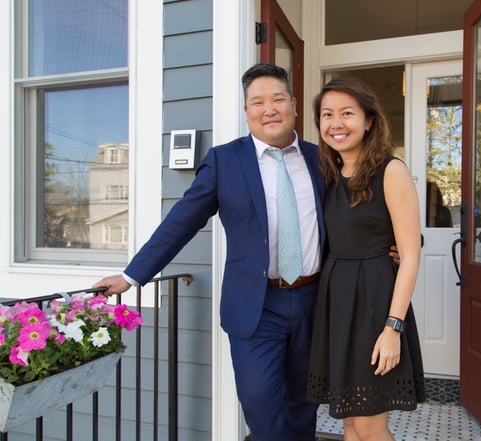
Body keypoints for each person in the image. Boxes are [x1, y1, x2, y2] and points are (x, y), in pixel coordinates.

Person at [93, 64, 326, 441]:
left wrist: (391, 246)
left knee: (305, 402)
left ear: (294, 105)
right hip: (256, 306)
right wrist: (131, 275)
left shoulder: (322, 160)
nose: (269, 109)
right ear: (246, 110)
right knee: (260, 402)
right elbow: (180, 223)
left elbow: (351, 217)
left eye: (278, 99)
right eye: (257, 102)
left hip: (315, 299)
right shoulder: (225, 161)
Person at [306, 77, 425, 441]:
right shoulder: (327, 174)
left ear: (369, 120)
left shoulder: (391, 171)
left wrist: (393, 328)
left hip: (375, 306)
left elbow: (410, 256)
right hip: (336, 306)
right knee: (348, 422)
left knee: (369, 425)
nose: (336, 123)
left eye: (347, 113)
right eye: (327, 115)